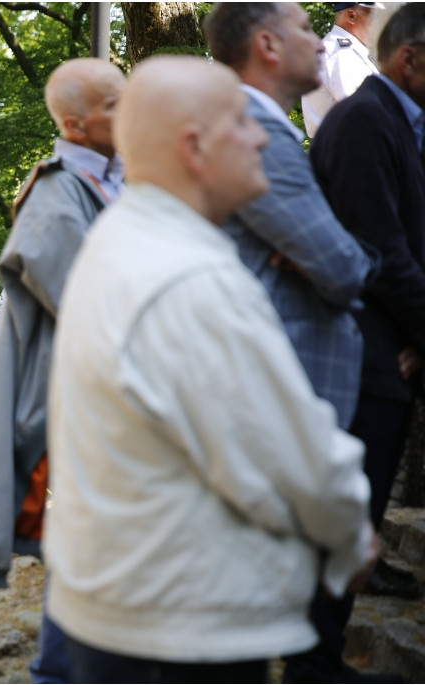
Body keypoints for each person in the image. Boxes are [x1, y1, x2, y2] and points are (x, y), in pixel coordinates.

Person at [44, 55, 375, 683]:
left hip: (122, 605)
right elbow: (285, 449)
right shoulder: (191, 278)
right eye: (241, 123)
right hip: (179, 627)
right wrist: (350, 531)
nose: (261, 136)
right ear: (194, 146)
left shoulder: (120, 241)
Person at [0, 56, 126, 684]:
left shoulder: (117, 177)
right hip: (93, 398)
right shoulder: (56, 198)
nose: (129, 110)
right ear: (75, 123)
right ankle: (57, 673)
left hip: (111, 398)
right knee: (89, 542)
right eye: (114, 104)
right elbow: (96, 310)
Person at [295, 5, 425, 680]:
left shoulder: (398, 122)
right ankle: (314, 661)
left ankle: (320, 653)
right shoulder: (363, 123)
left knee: (363, 519)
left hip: (393, 354)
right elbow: (381, 251)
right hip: (366, 358)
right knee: (349, 521)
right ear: (411, 61)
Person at [205, 2, 374, 433]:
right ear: (267, 44)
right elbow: (342, 268)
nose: (320, 43)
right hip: (286, 393)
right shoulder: (258, 138)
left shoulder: (243, 126)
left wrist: (314, 252)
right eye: (304, 29)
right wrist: (340, 249)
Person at [302, 2, 381, 137]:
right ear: (351, 16)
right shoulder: (342, 54)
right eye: (375, 16)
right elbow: (363, 113)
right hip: (349, 148)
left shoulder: (347, 50)